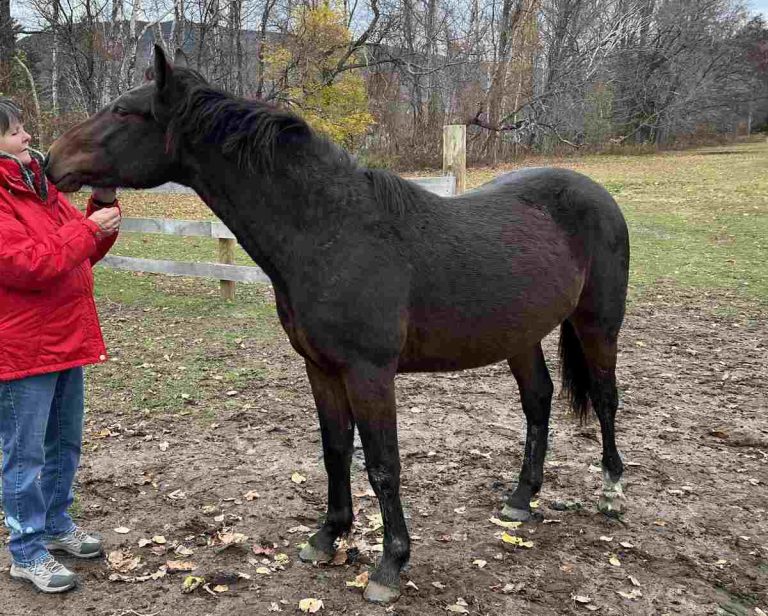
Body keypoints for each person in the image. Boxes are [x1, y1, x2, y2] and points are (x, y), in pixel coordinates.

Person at [0, 97, 121, 593]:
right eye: (14, 132)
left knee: (63, 446)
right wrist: (86, 229)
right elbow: (26, 264)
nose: (27, 137)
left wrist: (102, 204)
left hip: (66, 339)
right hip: (22, 348)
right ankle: (26, 550)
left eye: (24, 128)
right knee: (23, 455)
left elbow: (76, 252)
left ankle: (54, 524)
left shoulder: (39, 188)